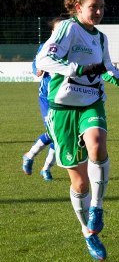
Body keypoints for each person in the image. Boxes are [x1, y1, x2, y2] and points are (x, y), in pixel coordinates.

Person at [36, 0, 119, 260]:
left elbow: (105, 69)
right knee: (79, 183)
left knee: (96, 145)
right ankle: (88, 233)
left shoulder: (102, 38)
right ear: (78, 7)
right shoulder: (68, 29)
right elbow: (43, 58)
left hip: (91, 103)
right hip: (62, 109)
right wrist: (77, 68)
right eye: (93, 6)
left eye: (102, 7)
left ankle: (97, 207)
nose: (98, 11)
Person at [22, 17, 65, 181]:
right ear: (52, 31)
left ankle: (45, 168)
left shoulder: (70, 47)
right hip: (47, 97)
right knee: (54, 133)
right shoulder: (45, 47)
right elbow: (36, 69)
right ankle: (31, 156)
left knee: (60, 134)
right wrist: (39, 68)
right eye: (57, 29)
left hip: (66, 97)